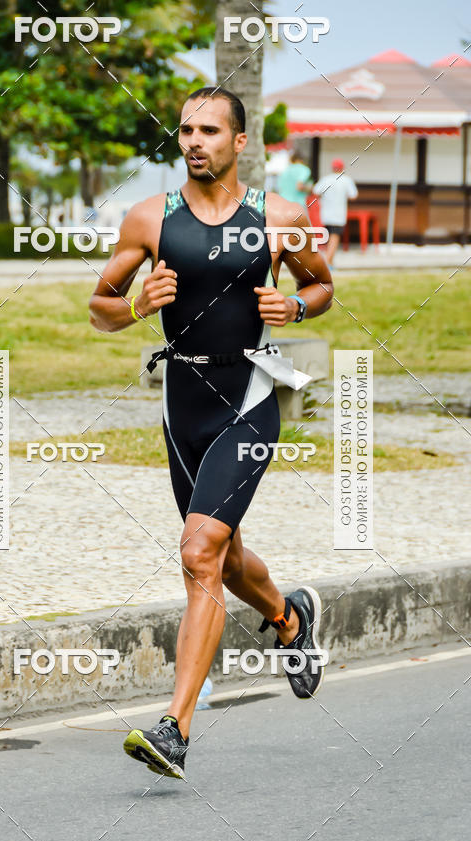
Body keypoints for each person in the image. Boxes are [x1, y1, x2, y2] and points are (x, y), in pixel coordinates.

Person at [89, 87, 333, 780]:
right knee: (221, 557)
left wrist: (295, 305)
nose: (192, 141)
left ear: (238, 143)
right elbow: (99, 308)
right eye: (184, 130)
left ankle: (175, 730)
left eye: (207, 131)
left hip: (251, 395)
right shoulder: (149, 219)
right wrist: (135, 307)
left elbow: (322, 286)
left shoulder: (280, 218)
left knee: (198, 552)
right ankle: (290, 619)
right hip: (182, 403)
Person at [313, 159, 358, 266]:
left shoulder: (326, 179)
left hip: (325, 212)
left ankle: (330, 261)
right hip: (339, 213)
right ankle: (328, 261)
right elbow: (353, 195)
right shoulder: (346, 180)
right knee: (335, 236)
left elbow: (316, 191)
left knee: (329, 236)